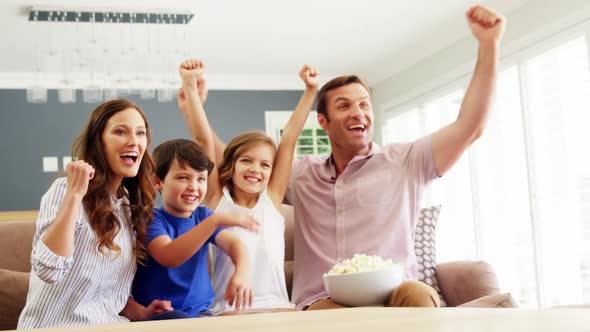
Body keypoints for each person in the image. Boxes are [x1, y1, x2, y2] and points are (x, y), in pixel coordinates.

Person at [283, 4, 507, 310]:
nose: (358, 112)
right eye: (345, 106)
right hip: (323, 300)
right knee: (326, 318)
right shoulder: (301, 175)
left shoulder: (407, 160)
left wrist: (489, 45)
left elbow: (471, 127)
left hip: (395, 295)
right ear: (323, 121)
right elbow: (233, 168)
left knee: (417, 293)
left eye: (364, 104)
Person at [18, 99, 179, 329]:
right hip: (56, 327)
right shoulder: (66, 190)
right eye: (120, 132)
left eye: (140, 133)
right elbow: (48, 269)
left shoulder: (129, 206)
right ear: (99, 142)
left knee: (181, 320)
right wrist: (75, 194)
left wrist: (142, 313)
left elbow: (104, 295)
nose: (133, 141)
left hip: (110, 325)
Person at [177, 59, 318, 314]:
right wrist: (190, 87)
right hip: (229, 312)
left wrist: (310, 91)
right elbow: (203, 139)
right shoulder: (218, 201)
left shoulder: (272, 200)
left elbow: (289, 137)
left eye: (265, 165)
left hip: (278, 310)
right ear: (231, 165)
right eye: (246, 161)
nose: (256, 169)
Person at [131, 138, 259, 317]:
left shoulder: (203, 216)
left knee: (241, 321)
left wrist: (242, 272)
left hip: (202, 313)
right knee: (178, 318)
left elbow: (234, 245)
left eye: (201, 179)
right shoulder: (150, 219)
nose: (194, 187)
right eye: (183, 177)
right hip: (161, 315)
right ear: (158, 182)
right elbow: (170, 256)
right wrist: (215, 221)